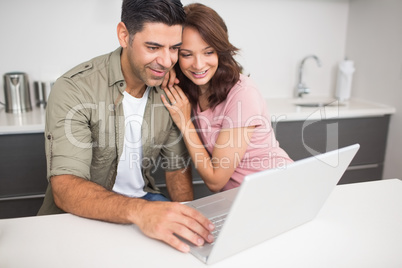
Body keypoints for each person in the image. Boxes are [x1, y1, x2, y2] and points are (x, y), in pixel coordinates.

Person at [37, 0, 214, 253]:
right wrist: (141, 212)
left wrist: (186, 221)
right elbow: (65, 188)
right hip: (83, 211)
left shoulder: (169, 89)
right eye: (153, 47)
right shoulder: (75, 89)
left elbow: (176, 169)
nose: (165, 61)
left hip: (144, 200)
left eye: (174, 48)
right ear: (124, 35)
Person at [161, 3, 293, 192]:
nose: (198, 65)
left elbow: (216, 181)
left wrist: (184, 122)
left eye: (208, 52)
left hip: (277, 188)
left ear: (220, 51)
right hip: (239, 199)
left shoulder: (242, 93)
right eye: (186, 54)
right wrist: (167, 71)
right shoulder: (190, 87)